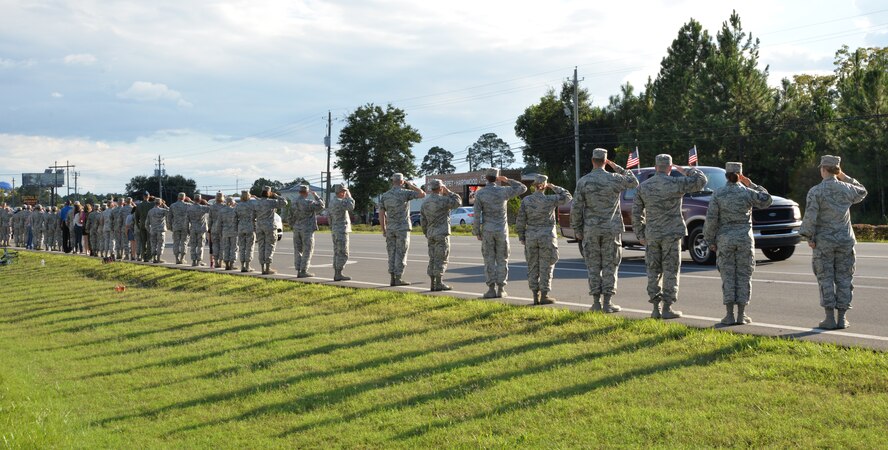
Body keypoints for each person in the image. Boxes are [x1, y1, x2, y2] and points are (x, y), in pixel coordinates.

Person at [631, 154, 707, 319]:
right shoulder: (676, 183)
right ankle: (667, 308)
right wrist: (686, 170)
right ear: (670, 167)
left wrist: (640, 233)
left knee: (653, 270)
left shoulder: (643, 187)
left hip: (652, 234)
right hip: (672, 234)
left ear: (656, 166)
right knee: (670, 270)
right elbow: (701, 181)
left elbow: (636, 213)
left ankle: (655, 308)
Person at [799, 155, 867, 330]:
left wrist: (809, 237)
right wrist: (844, 177)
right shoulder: (847, 188)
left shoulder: (816, 191)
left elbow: (810, 217)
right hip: (845, 240)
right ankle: (843, 318)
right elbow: (862, 191)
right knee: (844, 278)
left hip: (824, 242)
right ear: (837, 169)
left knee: (826, 278)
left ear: (823, 169)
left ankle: (829, 319)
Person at [703, 162, 773, 325]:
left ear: (726, 175)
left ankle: (729, 315)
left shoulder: (718, 194)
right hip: (744, 238)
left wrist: (710, 240)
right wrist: (752, 184)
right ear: (740, 175)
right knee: (743, 275)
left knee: (728, 276)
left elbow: (711, 220)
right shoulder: (747, 192)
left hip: (725, 239)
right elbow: (767, 200)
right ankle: (741, 315)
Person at [571, 148, 639, 312]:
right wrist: (616, 167)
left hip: (591, 229)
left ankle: (595, 303)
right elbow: (633, 181)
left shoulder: (584, 181)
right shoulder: (614, 179)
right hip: (611, 229)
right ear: (605, 160)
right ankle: (607, 303)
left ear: (592, 160)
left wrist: (577, 229)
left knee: (593, 266)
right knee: (610, 265)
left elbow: (576, 208)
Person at [516, 174, 572, 304]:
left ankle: (535, 295)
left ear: (534, 186)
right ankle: (544, 295)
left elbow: (520, 220)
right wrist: (554, 187)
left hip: (531, 236)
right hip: (547, 236)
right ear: (544, 186)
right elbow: (568, 197)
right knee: (547, 265)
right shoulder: (550, 199)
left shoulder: (527, 200)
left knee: (532, 265)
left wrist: (521, 235)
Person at [472, 168, 527, 298]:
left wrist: (477, 231)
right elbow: (523, 188)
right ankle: (501, 289)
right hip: (501, 230)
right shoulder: (503, 191)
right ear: (497, 178)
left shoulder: (480, 193)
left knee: (489, 260)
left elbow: (476, 214)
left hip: (487, 231)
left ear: (486, 178)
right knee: (502, 259)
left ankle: (491, 289)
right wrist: (507, 180)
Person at [379, 173, 426, 286]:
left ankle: (392, 277)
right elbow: (422, 194)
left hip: (391, 228)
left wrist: (383, 229)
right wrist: (410, 184)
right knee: (401, 253)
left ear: (392, 181)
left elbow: (381, 214)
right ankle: (398, 278)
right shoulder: (405, 193)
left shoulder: (385, 195)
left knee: (391, 253)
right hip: (402, 228)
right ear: (402, 182)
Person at [420, 179, 462, 291]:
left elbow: (423, 220)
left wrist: (426, 232)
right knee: (441, 258)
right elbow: (458, 202)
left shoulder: (425, 202)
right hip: (441, 233)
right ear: (440, 188)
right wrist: (448, 191)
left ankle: (432, 283)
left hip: (431, 233)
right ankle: (438, 283)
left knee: (432, 258)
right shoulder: (444, 200)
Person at [288, 185, 325, 278]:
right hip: (307, 229)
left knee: (298, 250)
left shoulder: (293, 202)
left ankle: (298, 269)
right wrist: (316, 196)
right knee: (307, 250)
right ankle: (303, 270)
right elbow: (322, 205)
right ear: (307, 192)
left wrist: (293, 225)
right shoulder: (308, 202)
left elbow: (289, 216)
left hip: (296, 228)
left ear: (299, 192)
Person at [254, 186, 288, 275]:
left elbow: (253, 216)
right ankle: (268, 268)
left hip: (259, 227)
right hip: (269, 227)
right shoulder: (271, 202)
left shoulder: (257, 203)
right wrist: (276, 196)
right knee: (270, 246)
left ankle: (262, 268)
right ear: (269, 193)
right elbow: (285, 203)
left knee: (261, 247)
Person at [328, 184, 354, 281]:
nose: (345, 193)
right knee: (343, 253)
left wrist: (332, 227)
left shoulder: (332, 202)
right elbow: (351, 206)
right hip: (341, 230)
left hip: (335, 230)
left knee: (337, 252)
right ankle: (338, 273)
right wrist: (349, 196)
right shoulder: (340, 202)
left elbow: (329, 217)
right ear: (341, 192)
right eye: (344, 192)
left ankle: (337, 273)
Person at [235, 190, 257, 272]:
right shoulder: (252, 205)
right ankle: (247, 265)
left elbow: (235, 217)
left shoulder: (238, 206)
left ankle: (242, 265)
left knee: (242, 247)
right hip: (250, 227)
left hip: (241, 227)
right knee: (249, 247)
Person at [187, 197, 211, 266]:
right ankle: (199, 261)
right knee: (200, 246)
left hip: (193, 229)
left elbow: (187, 220)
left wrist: (187, 230)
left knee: (193, 245)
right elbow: (213, 208)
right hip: (201, 229)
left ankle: (193, 261)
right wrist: (207, 203)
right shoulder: (202, 207)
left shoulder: (189, 209)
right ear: (200, 200)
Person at [169, 192, 192, 264]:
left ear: (178, 197)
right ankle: (182, 258)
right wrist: (190, 200)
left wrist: (170, 226)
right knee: (184, 242)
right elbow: (197, 205)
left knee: (176, 242)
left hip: (176, 226)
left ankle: (176, 258)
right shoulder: (188, 205)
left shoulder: (172, 206)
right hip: (185, 226)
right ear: (184, 198)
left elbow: (169, 217)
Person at [148, 198, 170, 263]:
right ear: (160, 203)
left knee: (153, 244)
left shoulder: (150, 211)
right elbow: (170, 211)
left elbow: (147, 223)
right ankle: (159, 258)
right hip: (160, 230)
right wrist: (164, 205)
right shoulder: (162, 210)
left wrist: (150, 230)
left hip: (153, 230)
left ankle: (154, 258)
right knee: (160, 244)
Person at [219, 196, 239, 270]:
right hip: (234, 231)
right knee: (233, 248)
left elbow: (219, 222)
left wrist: (220, 231)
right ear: (232, 202)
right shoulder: (234, 210)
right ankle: (232, 264)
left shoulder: (222, 211)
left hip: (225, 231)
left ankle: (226, 263)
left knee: (226, 248)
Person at [134, 191, 153, 262]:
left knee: (143, 242)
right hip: (150, 225)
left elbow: (136, 218)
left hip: (142, 225)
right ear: (149, 196)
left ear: (143, 196)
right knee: (149, 241)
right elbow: (161, 202)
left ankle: (143, 256)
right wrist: (153, 197)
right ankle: (149, 256)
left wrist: (138, 226)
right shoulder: (152, 204)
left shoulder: (138, 206)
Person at [208, 192, 226, 269]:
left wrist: (209, 228)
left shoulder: (212, 207)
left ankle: (215, 261)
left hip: (214, 227)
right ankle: (220, 262)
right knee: (222, 245)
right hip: (222, 227)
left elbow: (210, 219)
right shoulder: (224, 207)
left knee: (215, 245)